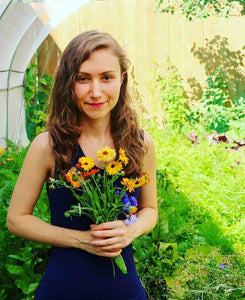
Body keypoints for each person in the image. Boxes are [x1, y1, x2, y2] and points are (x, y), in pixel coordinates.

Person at [7, 30, 157, 300]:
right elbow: (17, 220)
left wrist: (129, 230)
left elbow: (150, 210)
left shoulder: (141, 143)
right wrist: (83, 240)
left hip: (126, 292)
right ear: (68, 83)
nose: (96, 92)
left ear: (122, 80)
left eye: (107, 78)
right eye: (83, 79)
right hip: (63, 290)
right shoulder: (48, 146)